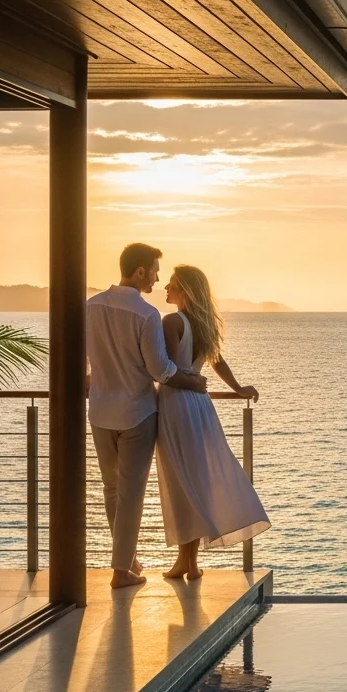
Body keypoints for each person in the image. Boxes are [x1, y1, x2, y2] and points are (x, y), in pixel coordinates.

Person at [87, 243, 208, 589]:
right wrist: (192, 381)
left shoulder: (91, 306)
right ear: (139, 272)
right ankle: (121, 571)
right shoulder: (146, 315)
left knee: (112, 490)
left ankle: (126, 561)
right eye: (155, 271)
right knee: (131, 493)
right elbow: (162, 370)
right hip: (137, 413)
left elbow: (83, 358)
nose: (157, 278)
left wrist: (91, 382)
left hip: (100, 412)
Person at [156, 265, 269, 580]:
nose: (166, 286)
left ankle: (186, 561)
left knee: (180, 482)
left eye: (173, 284)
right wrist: (238, 388)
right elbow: (215, 360)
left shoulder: (172, 322)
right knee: (196, 479)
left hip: (176, 403)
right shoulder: (202, 324)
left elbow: (166, 368)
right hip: (200, 406)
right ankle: (189, 562)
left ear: (186, 290)